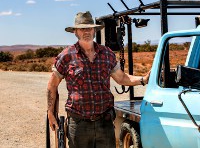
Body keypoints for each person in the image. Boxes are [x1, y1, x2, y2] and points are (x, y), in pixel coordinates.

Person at [47, 11, 150, 148]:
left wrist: (143, 79)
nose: (86, 31)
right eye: (82, 28)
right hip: (78, 124)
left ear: (94, 30)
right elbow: (52, 85)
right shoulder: (66, 56)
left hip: (104, 123)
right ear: (75, 32)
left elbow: (121, 78)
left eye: (89, 28)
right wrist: (50, 113)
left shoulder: (107, 53)